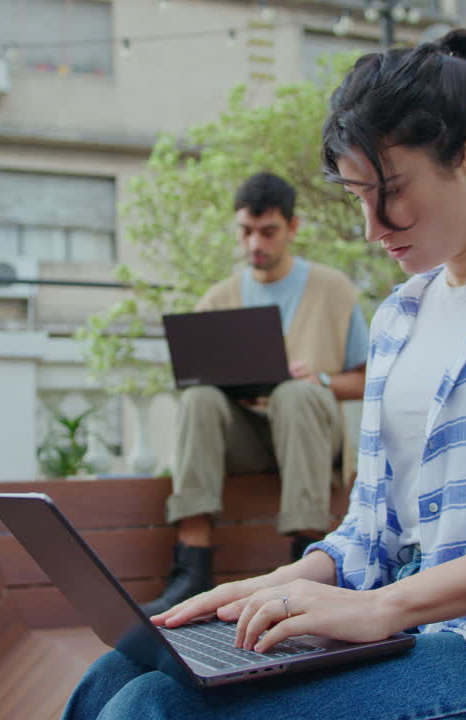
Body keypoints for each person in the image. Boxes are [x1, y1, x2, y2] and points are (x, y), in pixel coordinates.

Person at [66, 29, 466, 720]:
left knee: (152, 713)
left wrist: (383, 605)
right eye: (357, 196)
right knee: (119, 675)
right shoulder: (400, 316)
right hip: (418, 625)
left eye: (387, 191)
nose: (371, 227)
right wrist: (272, 583)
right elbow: (373, 529)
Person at [140, 172, 370, 616]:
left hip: (310, 439)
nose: (254, 244)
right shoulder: (218, 298)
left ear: (293, 227)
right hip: (244, 441)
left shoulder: (334, 290)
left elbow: (366, 380)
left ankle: (304, 566)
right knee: (199, 398)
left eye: (268, 232)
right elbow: (193, 381)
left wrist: (319, 380)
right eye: (246, 231)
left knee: (295, 395)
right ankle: (192, 568)